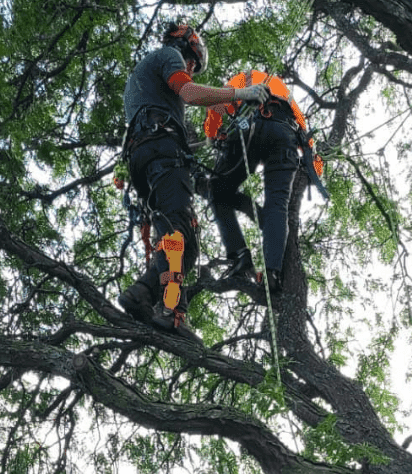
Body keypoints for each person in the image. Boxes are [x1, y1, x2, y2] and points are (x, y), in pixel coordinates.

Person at [117, 23, 271, 341]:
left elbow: (190, 104)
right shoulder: (169, 55)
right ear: (188, 48)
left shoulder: (144, 82)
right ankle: (170, 309)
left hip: (147, 156)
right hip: (160, 150)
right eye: (192, 65)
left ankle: (142, 293)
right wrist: (242, 92)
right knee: (179, 231)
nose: (190, 70)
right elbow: (189, 92)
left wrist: (229, 110)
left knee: (184, 239)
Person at [203, 69, 316, 293]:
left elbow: (217, 102)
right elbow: (306, 135)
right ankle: (272, 273)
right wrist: (314, 169)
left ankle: (240, 256)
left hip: (249, 130)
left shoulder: (244, 79)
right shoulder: (287, 96)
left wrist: (211, 135)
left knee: (216, 190)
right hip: (285, 137)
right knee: (278, 204)